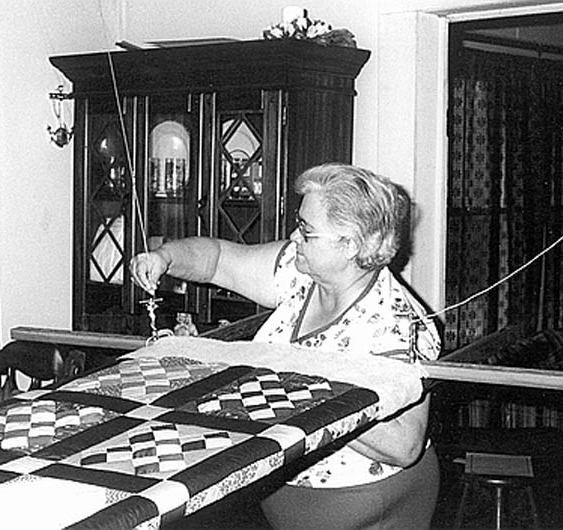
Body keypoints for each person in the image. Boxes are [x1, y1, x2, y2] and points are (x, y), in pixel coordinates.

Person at [130, 163, 441, 530]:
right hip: (285, 492)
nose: (295, 237)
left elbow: (404, 444)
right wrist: (165, 258)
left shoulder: (395, 322)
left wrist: (302, 381)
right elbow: (216, 260)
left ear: (351, 244)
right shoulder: (299, 271)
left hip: (367, 502)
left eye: (308, 232)